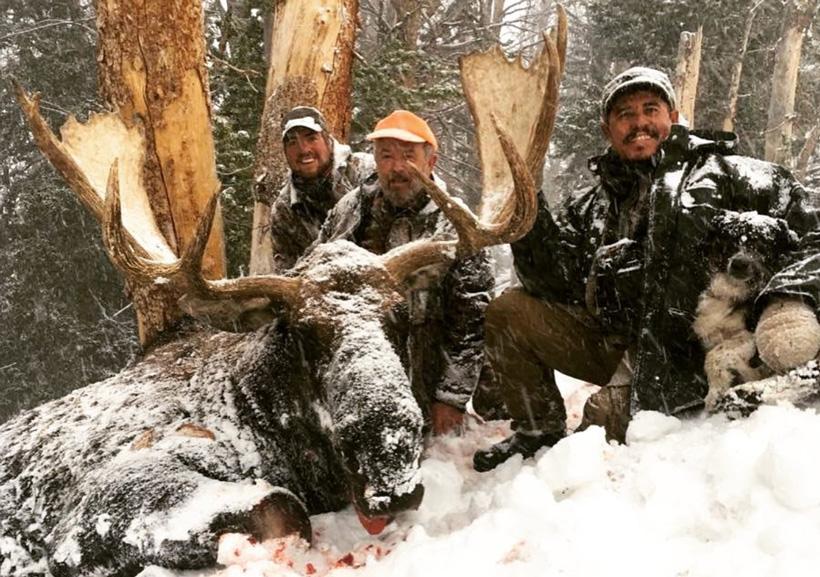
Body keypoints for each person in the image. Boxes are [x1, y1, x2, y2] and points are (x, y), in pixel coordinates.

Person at [473, 66, 820, 472]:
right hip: (621, 348)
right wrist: (528, 213)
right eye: (625, 114)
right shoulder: (590, 205)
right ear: (607, 130)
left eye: (650, 109)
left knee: (600, 424)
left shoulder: (738, 176)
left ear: (672, 116)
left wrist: (787, 299)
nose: (639, 122)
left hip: (694, 360)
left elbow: (813, 236)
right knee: (509, 311)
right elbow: (553, 283)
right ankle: (538, 430)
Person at [312, 110, 494, 435]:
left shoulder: (457, 222)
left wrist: (450, 398)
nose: (397, 167)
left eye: (409, 156)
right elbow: (314, 274)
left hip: (427, 357)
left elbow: (472, 318)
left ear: (431, 162)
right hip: (361, 354)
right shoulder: (349, 211)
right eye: (386, 156)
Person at [269, 106, 375, 271]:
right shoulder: (284, 209)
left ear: (327, 140)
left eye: (311, 138)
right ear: (285, 152)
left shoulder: (367, 171)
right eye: (292, 142)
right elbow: (286, 272)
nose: (303, 150)